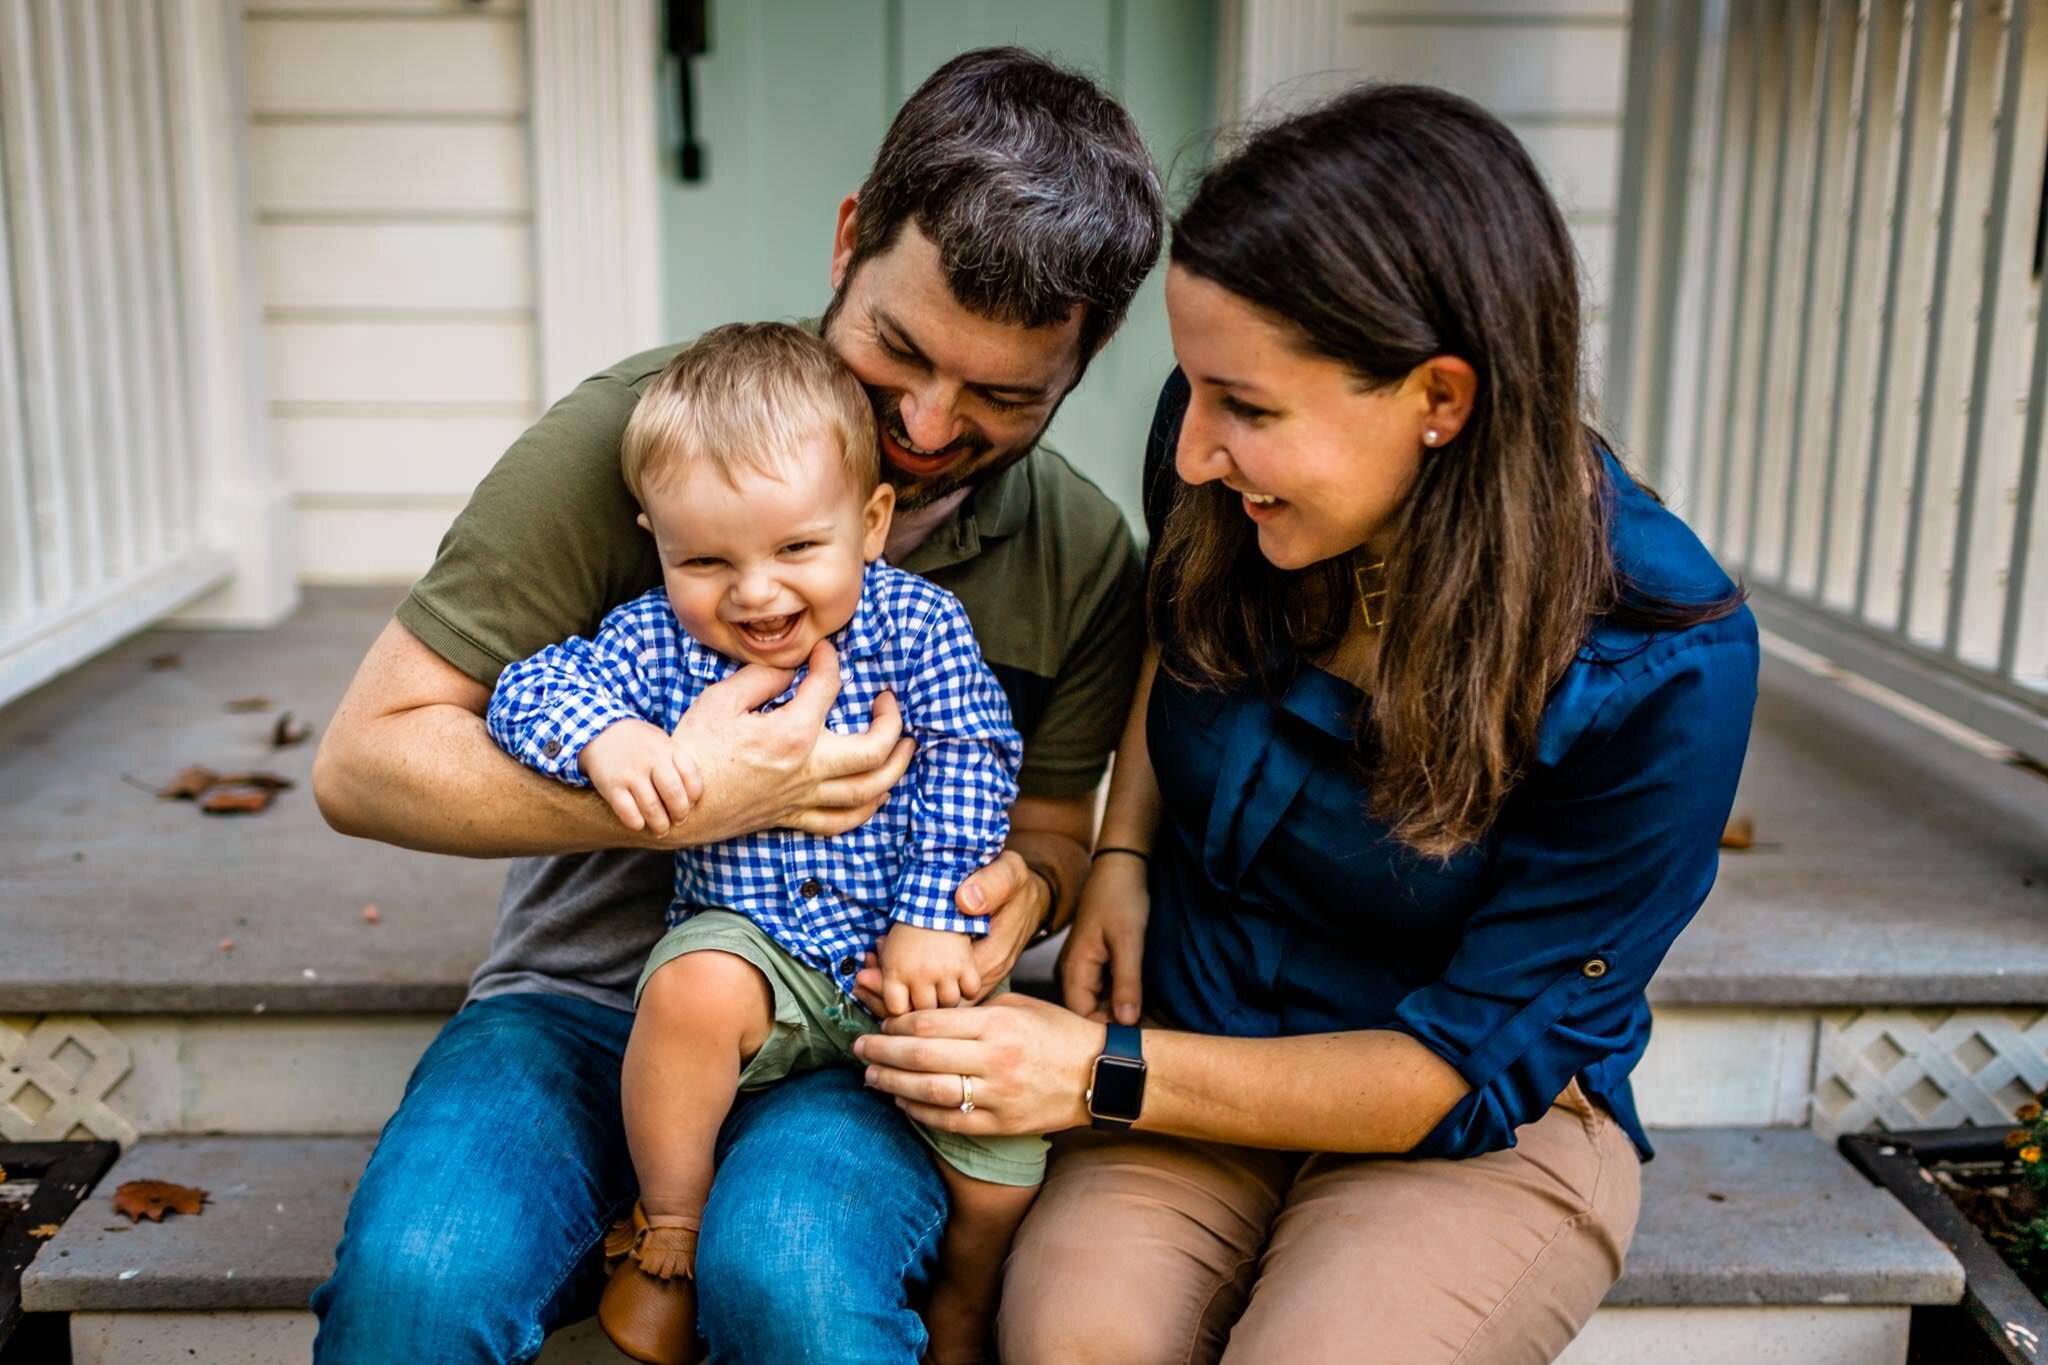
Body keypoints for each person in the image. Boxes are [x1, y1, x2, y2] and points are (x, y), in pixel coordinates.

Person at [851, 84, 1762, 1363]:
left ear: (1436, 398)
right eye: (1196, 390)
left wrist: (1095, 1073)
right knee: (1072, 1343)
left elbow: (1452, 1069)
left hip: (1457, 1129)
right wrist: (1121, 847)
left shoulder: (1662, 662)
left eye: (1248, 411)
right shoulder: (1223, 455)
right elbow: (1181, 611)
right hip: (1195, 1027)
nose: (1189, 456)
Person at [308, 49, 1163, 1364]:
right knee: (419, 1284)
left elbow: (1047, 834)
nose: (929, 425)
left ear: (1087, 360)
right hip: (585, 1002)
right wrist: (678, 798)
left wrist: (1009, 911)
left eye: (1004, 396)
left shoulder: (1080, 556)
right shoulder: (641, 440)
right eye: (902, 351)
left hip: (866, 1034)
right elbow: (365, 763)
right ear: (846, 240)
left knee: (800, 1282)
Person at [485, 323, 1043, 1365]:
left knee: (998, 1140)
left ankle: (970, 1288)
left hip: (901, 959)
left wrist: (932, 917)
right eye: (705, 559)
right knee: (690, 988)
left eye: (795, 549)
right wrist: (606, 735)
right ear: (654, 538)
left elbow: (974, 755)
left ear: (870, 522)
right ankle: (672, 1236)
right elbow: (530, 685)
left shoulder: (917, 627)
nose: (754, 593)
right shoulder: (654, 638)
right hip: (762, 954)